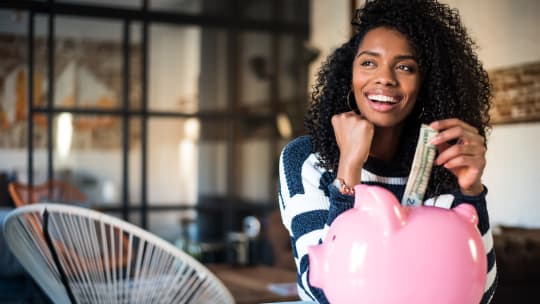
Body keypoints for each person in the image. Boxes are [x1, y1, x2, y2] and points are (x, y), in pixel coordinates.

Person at [277, 0, 498, 303]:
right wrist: (349, 166)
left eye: (405, 67)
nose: (385, 78)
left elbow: (477, 294)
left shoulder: (440, 161)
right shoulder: (306, 159)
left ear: (426, 83)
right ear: (348, 74)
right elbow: (321, 291)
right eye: (369, 62)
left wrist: (471, 192)